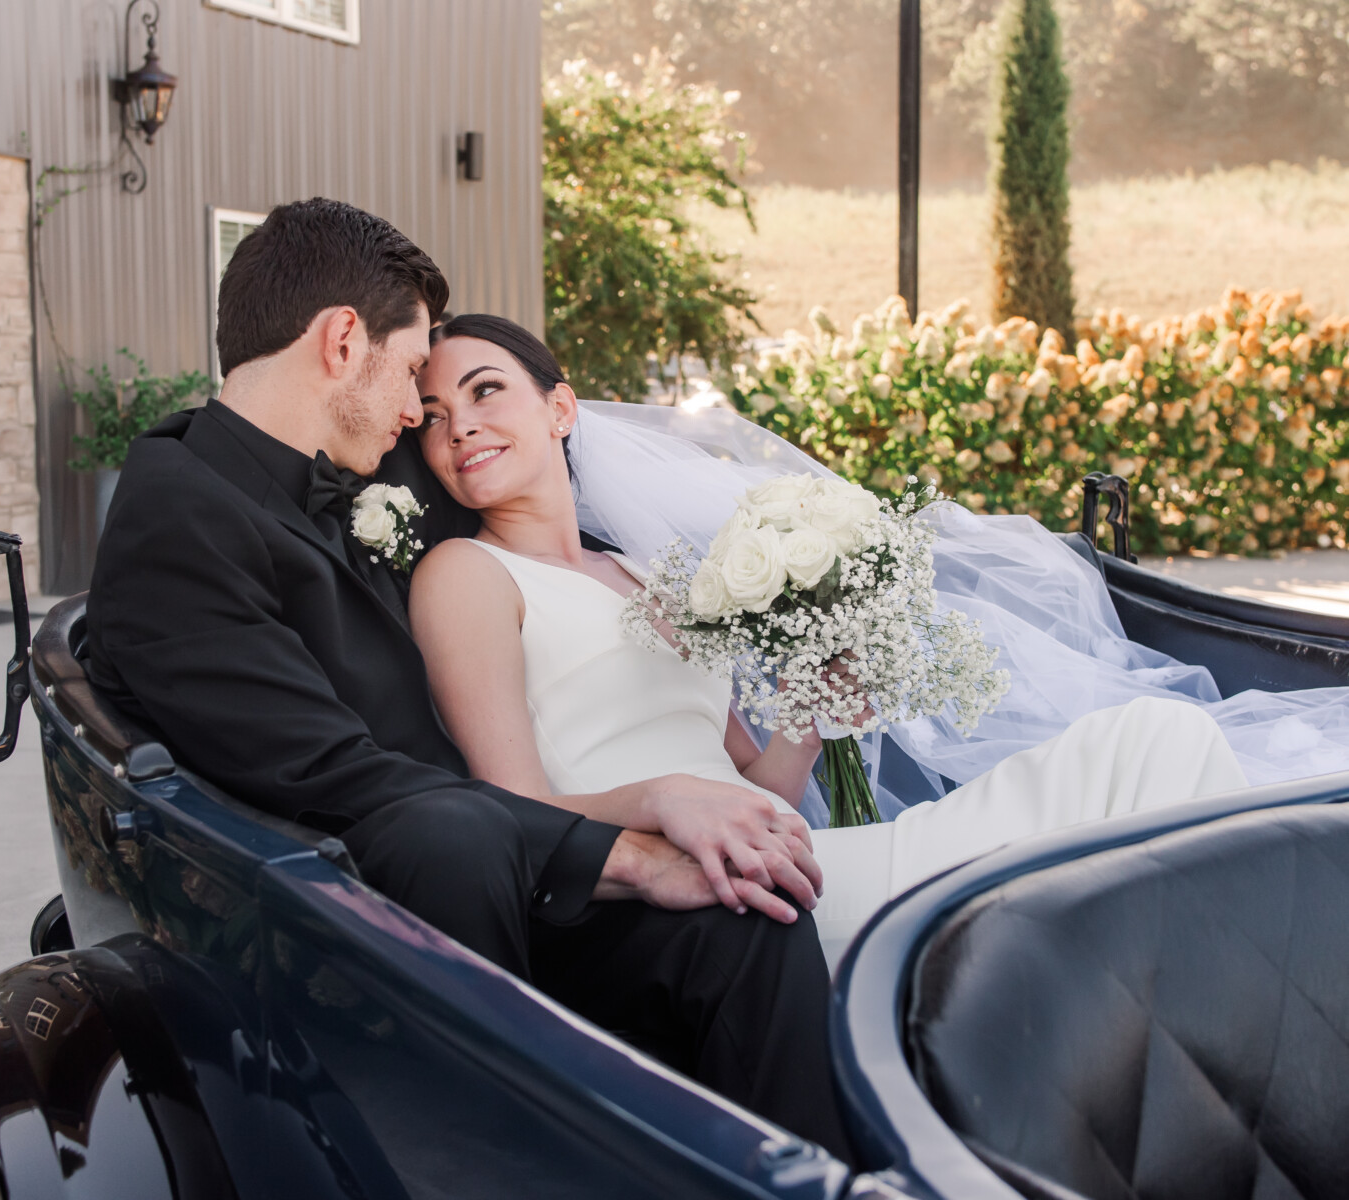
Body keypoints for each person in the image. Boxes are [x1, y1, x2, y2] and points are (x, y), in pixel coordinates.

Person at [84, 199, 852, 1158]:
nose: (420, 413)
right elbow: (333, 777)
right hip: (370, 914)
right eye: (413, 373)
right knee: (460, 831)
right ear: (340, 341)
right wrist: (638, 841)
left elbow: (510, 459)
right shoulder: (180, 518)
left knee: (751, 917)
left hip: (495, 869)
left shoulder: (350, 463)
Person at [408, 314, 1320, 966]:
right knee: (1151, 764)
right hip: (710, 886)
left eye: (485, 392)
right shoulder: (466, 575)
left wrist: (811, 718)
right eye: (438, 416)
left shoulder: (653, 581)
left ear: (560, 409)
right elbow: (511, 804)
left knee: (1155, 742)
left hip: (783, 843)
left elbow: (755, 785)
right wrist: (664, 797)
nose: (463, 426)